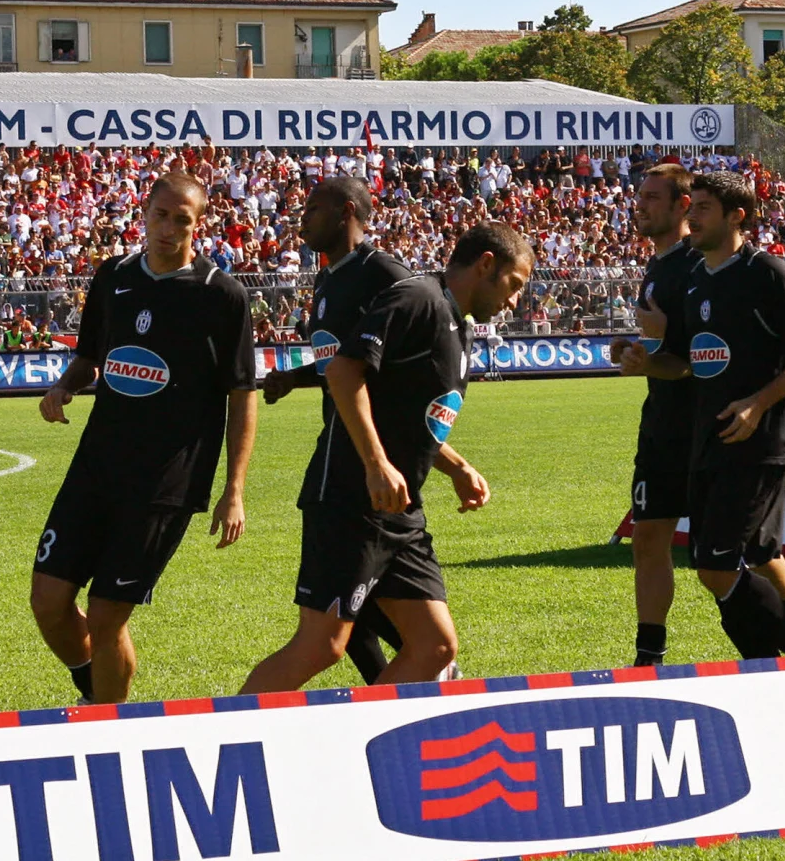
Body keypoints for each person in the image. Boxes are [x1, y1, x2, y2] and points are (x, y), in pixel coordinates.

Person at [241, 222, 531, 693]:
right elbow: (342, 371)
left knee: (436, 646)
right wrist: (376, 464)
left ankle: (360, 742)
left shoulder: (458, 323)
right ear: (485, 265)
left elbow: (409, 416)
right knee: (322, 644)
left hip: (399, 509)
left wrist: (455, 466)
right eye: (514, 285)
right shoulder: (417, 298)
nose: (515, 301)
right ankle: (234, 743)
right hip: (350, 496)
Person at [32, 173, 256, 704]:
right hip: (95, 467)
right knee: (48, 601)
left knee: (109, 616)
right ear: (145, 211)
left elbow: (241, 394)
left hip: (165, 482)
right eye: (161, 214)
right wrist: (63, 387)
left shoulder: (221, 295)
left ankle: (106, 721)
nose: (169, 228)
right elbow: (91, 356)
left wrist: (235, 490)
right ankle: (97, 684)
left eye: (183, 219)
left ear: (199, 224)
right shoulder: (113, 277)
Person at [619, 170, 785, 659]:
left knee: (724, 564)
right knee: (726, 562)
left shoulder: (767, 272)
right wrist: (647, 359)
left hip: (757, 440)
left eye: (702, 209)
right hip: (705, 440)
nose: (693, 217)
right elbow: (687, 361)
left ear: (737, 216)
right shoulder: (695, 281)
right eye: (693, 208)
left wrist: (757, 404)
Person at [260, 176, 417, 684]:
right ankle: (406, 676)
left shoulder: (386, 275)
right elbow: (342, 360)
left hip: (373, 462)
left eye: (313, 208)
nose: (301, 216)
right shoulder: (328, 278)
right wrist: (297, 377)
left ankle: (426, 665)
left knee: (336, 619)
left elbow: (396, 366)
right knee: (349, 605)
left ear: (347, 211)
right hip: (340, 455)